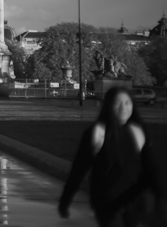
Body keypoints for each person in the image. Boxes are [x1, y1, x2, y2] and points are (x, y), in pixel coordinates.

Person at [59, 87, 162, 226]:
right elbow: (79, 170)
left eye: (127, 103)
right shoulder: (96, 133)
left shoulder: (138, 131)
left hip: (134, 202)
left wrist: (160, 196)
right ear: (108, 105)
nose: (123, 107)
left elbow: (152, 167)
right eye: (117, 103)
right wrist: (66, 200)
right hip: (107, 204)